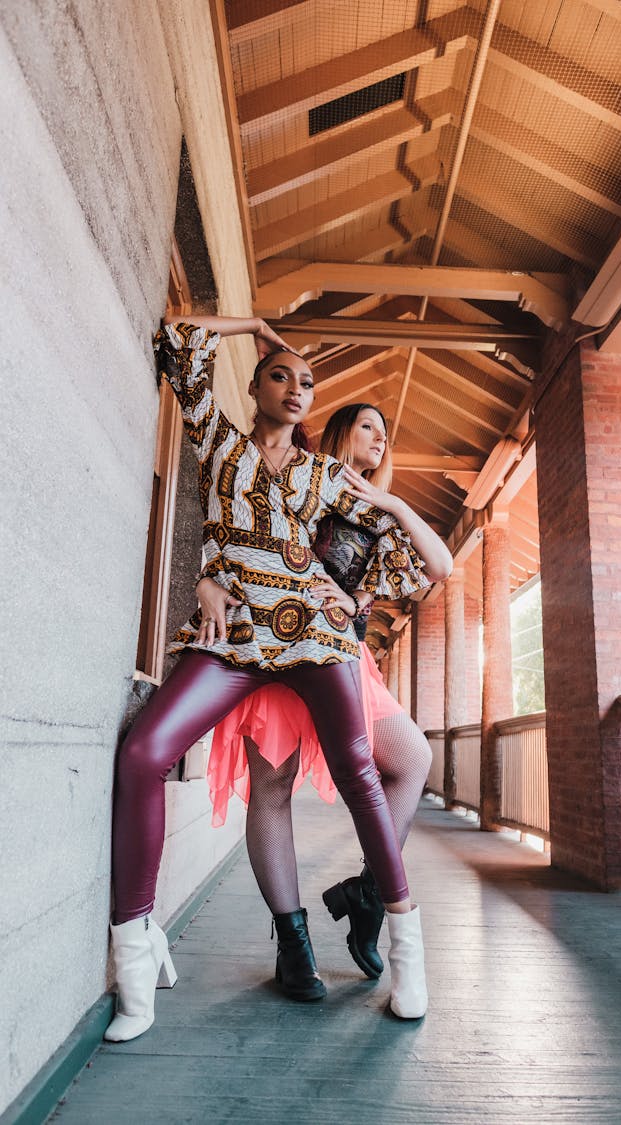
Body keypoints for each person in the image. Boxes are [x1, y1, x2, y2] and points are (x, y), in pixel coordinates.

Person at [106, 317, 432, 1043]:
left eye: (308, 381)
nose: (295, 387)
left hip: (313, 640)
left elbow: (413, 561)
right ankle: (135, 952)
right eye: (280, 374)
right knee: (142, 754)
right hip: (232, 639)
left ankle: (410, 950)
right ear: (253, 386)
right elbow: (180, 336)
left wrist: (353, 591)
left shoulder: (324, 476)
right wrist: (252, 324)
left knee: (358, 769)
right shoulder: (218, 441)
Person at [198, 402, 452, 986]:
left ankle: (368, 891)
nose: (381, 437)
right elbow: (240, 529)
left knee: (412, 757)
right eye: (368, 426)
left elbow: (438, 565)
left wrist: (391, 503)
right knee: (273, 787)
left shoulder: (379, 517)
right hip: (276, 646)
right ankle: (293, 942)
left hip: (343, 658)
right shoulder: (298, 473)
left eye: (387, 432)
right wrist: (209, 575)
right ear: (340, 431)